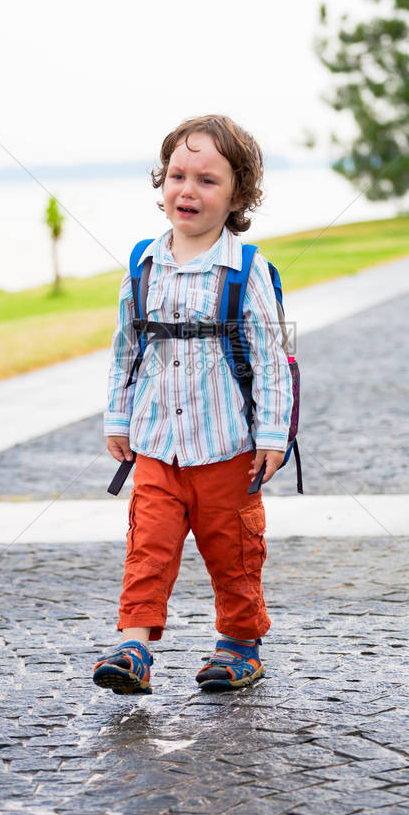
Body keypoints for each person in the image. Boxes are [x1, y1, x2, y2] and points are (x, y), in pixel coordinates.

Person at [93, 114, 293, 695]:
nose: (188, 189)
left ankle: (239, 644)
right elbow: (125, 347)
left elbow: (272, 357)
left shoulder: (245, 270)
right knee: (147, 548)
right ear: (161, 184)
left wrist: (273, 436)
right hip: (157, 445)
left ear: (238, 194)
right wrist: (118, 416)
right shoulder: (144, 265)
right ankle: (134, 646)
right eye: (177, 175)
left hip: (227, 448)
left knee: (233, 553)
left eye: (208, 180)